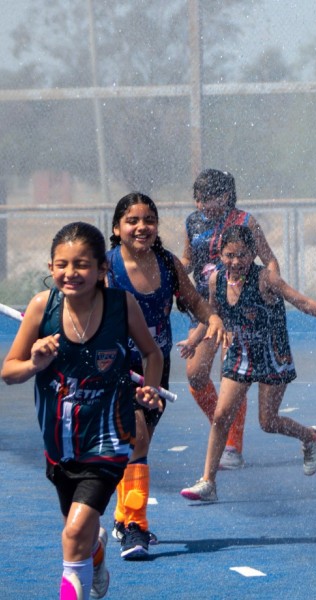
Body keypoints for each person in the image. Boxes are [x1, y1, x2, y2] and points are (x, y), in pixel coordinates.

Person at [1, 222, 163, 600]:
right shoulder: (43, 307)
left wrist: (150, 388)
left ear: (102, 270)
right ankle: (96, 554)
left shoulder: (121, 307)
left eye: (81, 265)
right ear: (51, 266)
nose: (70, 273)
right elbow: (9, 372)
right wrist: (34, 363)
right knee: (82, 535)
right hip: (60, 445)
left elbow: (152, 353)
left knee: (72, 534)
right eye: (61, 264)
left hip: (109, 438)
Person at [180, 225, 316, 502]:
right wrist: (194, 341)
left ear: (253, 254)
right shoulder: (216, 280)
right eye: (229, 255)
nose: (235, 262)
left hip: (271, 356)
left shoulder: (266, 279)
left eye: (242, 255)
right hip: (239, 353)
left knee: (268, 421)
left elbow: (302, 302)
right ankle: (208, 482)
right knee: (221, 417)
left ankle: (311, 437)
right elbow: (211, 315)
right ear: (220, 254)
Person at [106, 192, 226, 559]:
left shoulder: (168, 263)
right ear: (117, 228)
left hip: (156, 367)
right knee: (138, 438)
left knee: (136, 445)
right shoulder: (106, 266)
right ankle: (137, 529)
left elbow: (192, 299)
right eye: (132, 221)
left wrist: (213, 317)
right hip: (115, 368)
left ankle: (122, 517)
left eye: (148, 220)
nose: (141, 227)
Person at [181, 169, 280, 470]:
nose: (201, 206)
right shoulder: (192, 222)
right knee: (196, 373)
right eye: (197, 199)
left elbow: (269, 258)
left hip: (239, 308)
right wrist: (168, 276)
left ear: (225, 196)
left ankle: (233, 444)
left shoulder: (245, 222)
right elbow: (187, 260)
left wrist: (271, 288)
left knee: (231, 375)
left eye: (207, 199)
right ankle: (221, 423)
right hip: (205, 307)